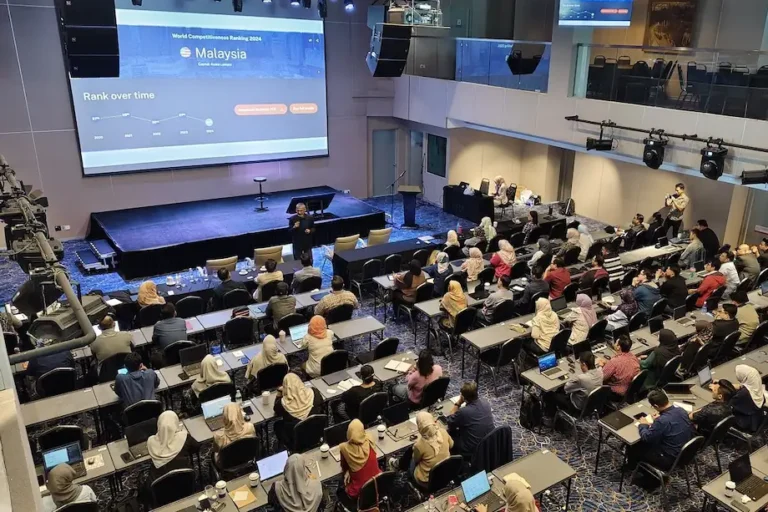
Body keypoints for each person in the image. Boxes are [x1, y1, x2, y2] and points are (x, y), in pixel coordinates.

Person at [627, 389, 693, 471]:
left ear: (656, 406)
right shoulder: (681, 410)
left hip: (667, 457)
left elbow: (646, 437)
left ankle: (634, 469)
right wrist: (659, 419)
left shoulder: (662, 421)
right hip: (683, 451)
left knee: (634, 445)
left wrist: (643, 424)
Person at [145, 411, 199, 489]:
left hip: (161, 489)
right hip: (186, 485)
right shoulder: (184, 437)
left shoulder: (151, 441)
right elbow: (197, 447)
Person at [544, 351, 603, 417]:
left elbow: (566, 388)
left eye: (580, 364)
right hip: (591, 405)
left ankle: (550, 418)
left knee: (549, 394)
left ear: (584, 364)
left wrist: (572, 378)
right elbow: (600, 367)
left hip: (576, 406)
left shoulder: (581, 378)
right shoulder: (600, 372)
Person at [445, 381, 494, 460]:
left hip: (471, 449)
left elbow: (449, 420)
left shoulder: (463, 412)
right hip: (487, 443)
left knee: (448, 433)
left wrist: (458, 403)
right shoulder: (486, 403)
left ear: (463, 397)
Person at [338, 419, 381, 508]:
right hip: (377, 483)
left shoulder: (344, 448)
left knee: (340, 487)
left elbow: (344, 467)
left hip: (359, 491)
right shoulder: (369, 438)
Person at [274, 373, 324, 448]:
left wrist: (279, 394)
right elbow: (322, 404)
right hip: (316, 433)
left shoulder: (283, 404)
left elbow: (276, 410)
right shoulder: (314, 392)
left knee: (277, 425)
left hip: (296, 440)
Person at [411, 412, 453, 487]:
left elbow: (416, 460)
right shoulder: (443, 431)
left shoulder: (419, 445)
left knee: (411, 463)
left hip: (427, 480)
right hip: (445, 474)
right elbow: (451, 445)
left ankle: (409, 484)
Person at [598, 335, 640, 401]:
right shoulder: (633, 357)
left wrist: (600, 366)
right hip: (628, 390)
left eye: (616, 343)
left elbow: (600, 378)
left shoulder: (614, 362)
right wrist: (608, 364)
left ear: (618, 347)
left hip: (615, 394)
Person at [731, 365, 766, 432]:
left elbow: (728, 405)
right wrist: (725, 384)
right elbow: (742, 387)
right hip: (756, 421)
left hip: (744, 424)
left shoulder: (743, 394)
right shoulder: (756, 388)